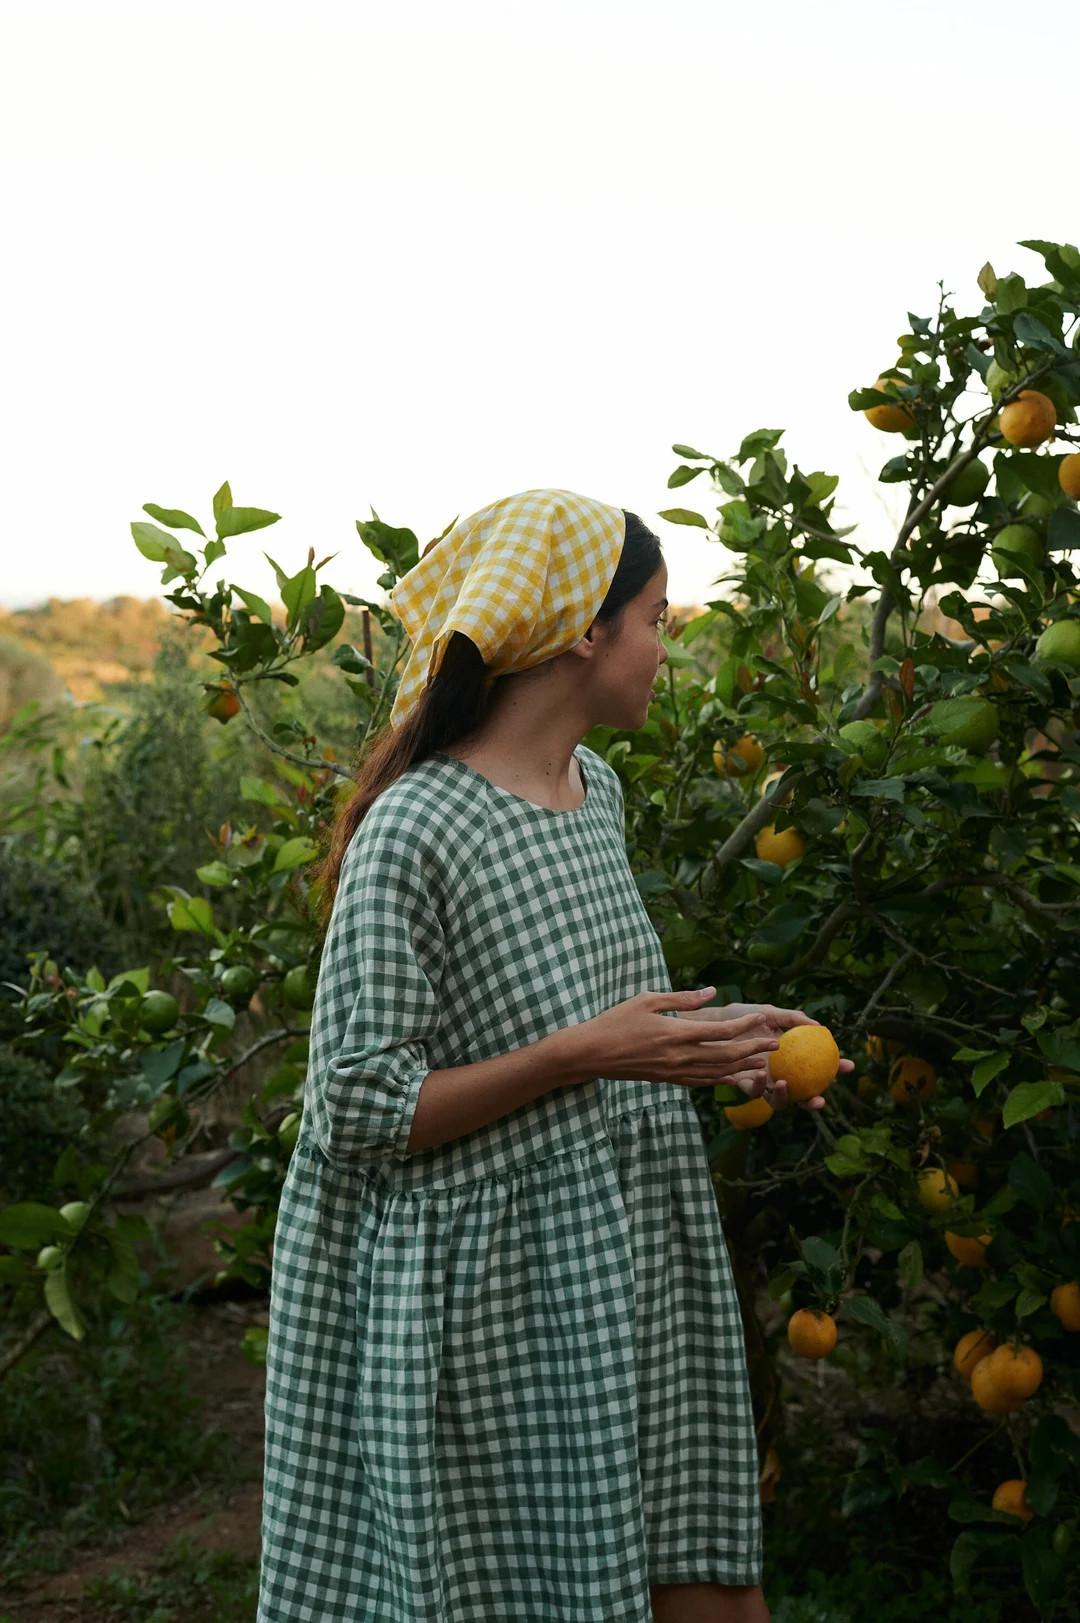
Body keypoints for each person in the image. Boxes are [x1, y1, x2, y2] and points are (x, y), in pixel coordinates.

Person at [257, 489, 852, 1623]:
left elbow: (599, 1027)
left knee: (702, 1572)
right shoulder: (418, 828)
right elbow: (358, 1108)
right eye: (659, 623)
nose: (667, 651)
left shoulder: (597, 796)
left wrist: (717, 1049)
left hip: (623, 1243)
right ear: (586, 629)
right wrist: (579, 1055)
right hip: (497, 1293)